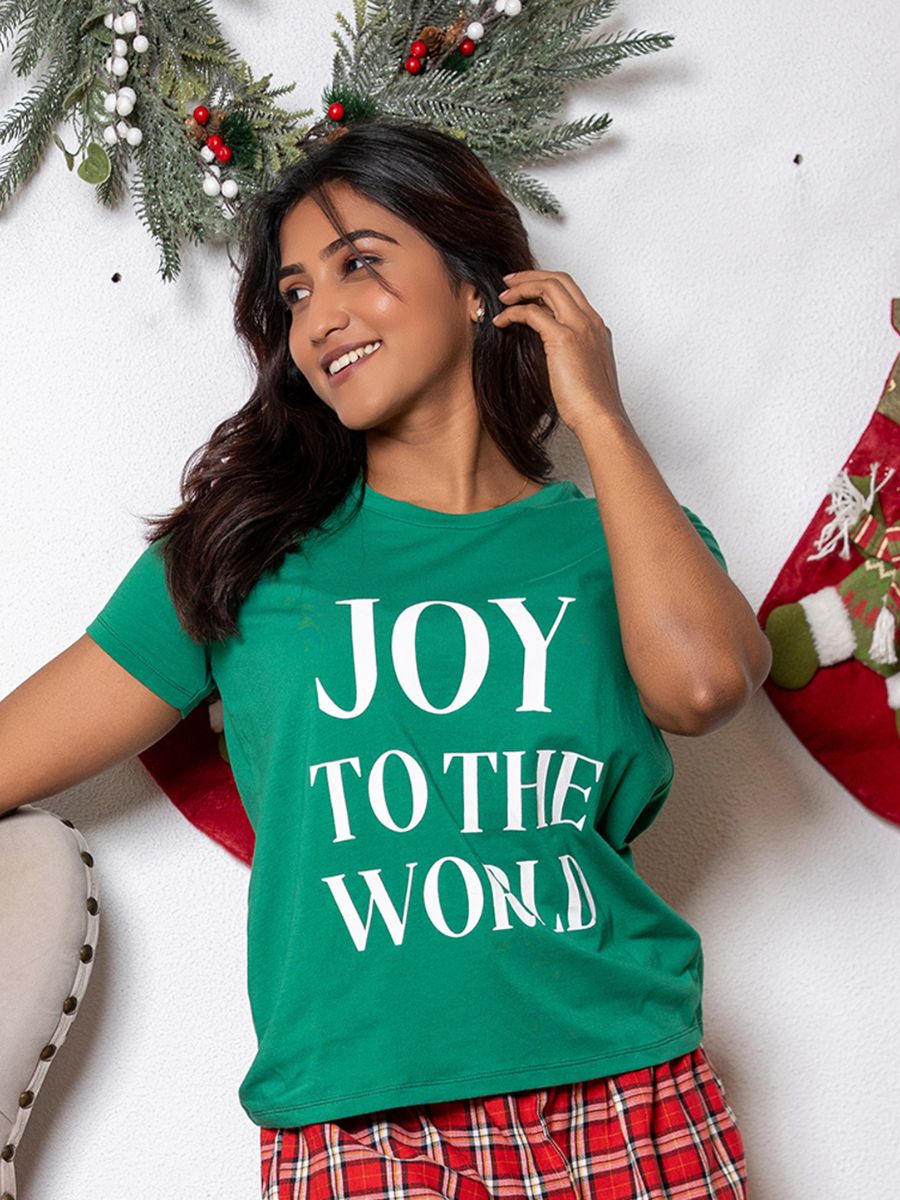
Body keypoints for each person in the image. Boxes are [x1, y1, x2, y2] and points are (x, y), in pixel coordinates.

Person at [0, 117, 770, 1198]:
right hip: (361, 1125)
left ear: (477, 287)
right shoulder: (243, 552)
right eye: (295, 293)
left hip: (627, 1093)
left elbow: (704, 687)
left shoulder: (621, 539)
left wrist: (597, 411)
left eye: (358, 264)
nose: (319, 317)